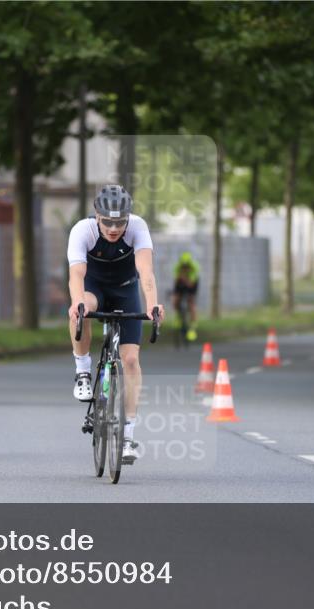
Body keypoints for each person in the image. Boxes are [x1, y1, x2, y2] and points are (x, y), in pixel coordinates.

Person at [67, 184, 164, 465]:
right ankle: (83, 371)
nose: (113, 228)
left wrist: (152, 305)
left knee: (131, 360)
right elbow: (76, 274)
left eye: (119, 222)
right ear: (96, 216)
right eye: (107, 222)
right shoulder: (82, 230)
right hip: (92, 288)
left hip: (125, 290)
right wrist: (77, 302)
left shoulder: (137, 227)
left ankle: (128, 436)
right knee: (80, 311)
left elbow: (145, 271)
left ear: (127, 218)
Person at [172, 251, 200, 341]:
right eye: (183, 267)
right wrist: (181, 278)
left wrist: (184, 278)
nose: (185, 268)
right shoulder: (177, 267)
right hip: (181, 282)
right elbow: (176, 281)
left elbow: (191, 284)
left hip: (191, 282)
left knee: (191, 302)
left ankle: (192, 327)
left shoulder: (194, 268)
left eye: (186, 267)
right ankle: (178, 317)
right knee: (175, 299)